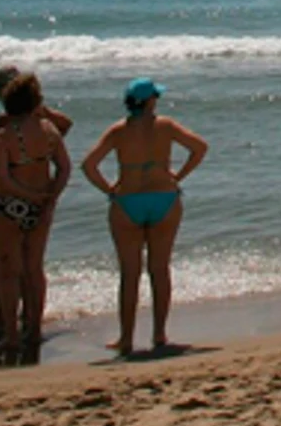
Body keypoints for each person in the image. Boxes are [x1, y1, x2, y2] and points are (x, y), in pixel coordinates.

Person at [81, 78, 209, 357]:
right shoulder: (165, 126)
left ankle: (126, 338)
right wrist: (178, 176)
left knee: (130, 274)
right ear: (150, 101)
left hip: (127, 201)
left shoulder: (118, 131)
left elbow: (88, 165)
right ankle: (159, 334)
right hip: (164, 198)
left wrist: (109, 190)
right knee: (159, 269)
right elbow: (200, 148)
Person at [0, 65, 73, 348]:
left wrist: (21, 196)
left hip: (10, 205)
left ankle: (10, 334)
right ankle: (33, 330)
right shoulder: (47, 129)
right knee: (34, 269)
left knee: (8, 270)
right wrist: (49, 197)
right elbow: (64, 168)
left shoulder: (4, 132)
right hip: (41, 204)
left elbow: (0, 176)